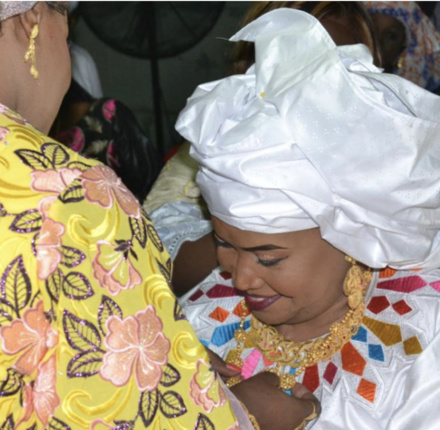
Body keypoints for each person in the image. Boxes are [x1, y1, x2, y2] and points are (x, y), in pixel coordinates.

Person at [0, 3, 318, 430]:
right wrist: (248, 419)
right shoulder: (64, 192)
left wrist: (170, 367)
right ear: (33, 19)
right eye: (66, 31)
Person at [175, 8, 440, 430]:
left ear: (351, 233)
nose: (239, 276)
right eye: (224, 244)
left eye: (268, 256)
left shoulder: (433, 329)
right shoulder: (206, 314)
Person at [144, 1, 381, 296]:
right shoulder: (211, 149)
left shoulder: (390, 159)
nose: (315, 88)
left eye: (341, 70)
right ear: (251, 70)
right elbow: (156, 266)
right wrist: (251, 212)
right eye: (297, 65)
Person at [364, 1, 440, 92]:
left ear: (403, 49)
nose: (378, 42)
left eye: (391, 36)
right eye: (371, 30)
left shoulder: (402, 97)